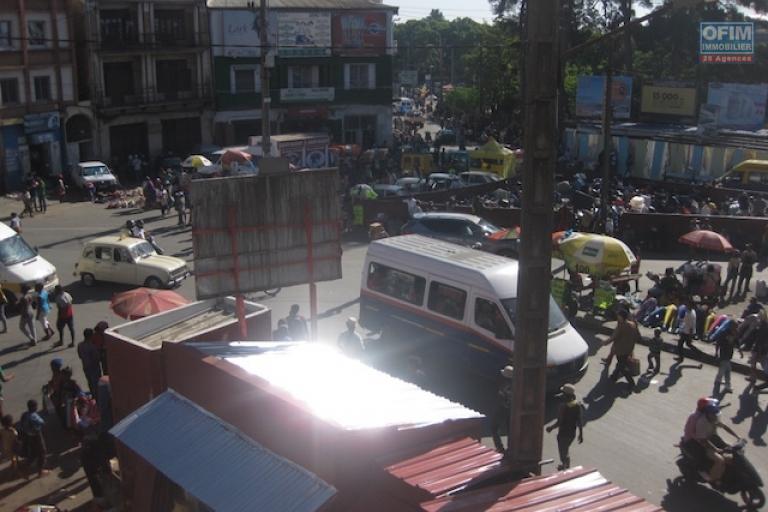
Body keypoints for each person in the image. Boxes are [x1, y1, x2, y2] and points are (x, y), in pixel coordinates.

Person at [691, 400, 740, 485]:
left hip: (715, 440)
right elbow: (703, 440)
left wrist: (737, 437)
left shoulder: (714, 418)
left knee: (733, 453)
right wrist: (715, 449)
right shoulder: (702, 423)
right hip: (705, 446)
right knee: (720, 460)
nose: (715, 415)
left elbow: (725, 427)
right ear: (708, 414)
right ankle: (712, 479)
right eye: (713, 414)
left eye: (715, 413)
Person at [546, 383, 584, 470]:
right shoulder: (577, 405)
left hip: (563, 433)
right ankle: (565, 466)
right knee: (565, 450)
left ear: (566, 395)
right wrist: (581, 434)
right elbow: (579, 421)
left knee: (563, 452)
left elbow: (560, 422)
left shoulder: (563, 406)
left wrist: (550, 428)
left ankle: (565, 467)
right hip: (572, 434)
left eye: (563, 393)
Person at [604, 309, 639, 389]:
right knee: (621, 363)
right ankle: (614, 376)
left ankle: (631, 382)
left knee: (622, 366)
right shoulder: (633, 324)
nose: (617, 317)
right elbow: (636, 336)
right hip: (629, 349)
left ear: (622, 317)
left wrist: (605, 342)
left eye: (618, 316)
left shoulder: (621, 325)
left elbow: (614, 337)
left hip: (620, 349)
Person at [19, 400, 49, 478]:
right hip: (36, 436)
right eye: (36, 406)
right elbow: (42, 422)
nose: (37, 407)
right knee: (42, 452)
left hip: (28, 436)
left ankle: (24, 469)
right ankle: (40, 471)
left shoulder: (25, 414)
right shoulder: (33, 416)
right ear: (33, 407)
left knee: (33, 453)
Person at [491, 365, 514, 454]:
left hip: (502, 409)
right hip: (512, 410)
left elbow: (500, 397)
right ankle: (511, 448)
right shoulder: (516, 385)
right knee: (510, 430)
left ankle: (499, 447)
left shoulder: (503, 385)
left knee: (494, 427)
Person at [77, 328, 102, 396]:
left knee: (90, 381)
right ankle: (97, 395)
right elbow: (97, 358)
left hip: (85, 366)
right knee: (97, 382)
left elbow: (80, 356)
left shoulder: (80, 345)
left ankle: (93, 394)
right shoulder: (93, 346)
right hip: (94, 367)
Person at [714, 322, 735, 394]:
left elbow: (736, 342)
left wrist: (740, 351)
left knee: (722, 370)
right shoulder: (724, 333)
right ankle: (727, 386)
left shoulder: (734, 333)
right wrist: (716, 352)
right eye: (735, 326)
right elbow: (718, 343)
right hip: (723, 355)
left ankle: (718, 380)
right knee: (727, 370)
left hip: (728, 355)